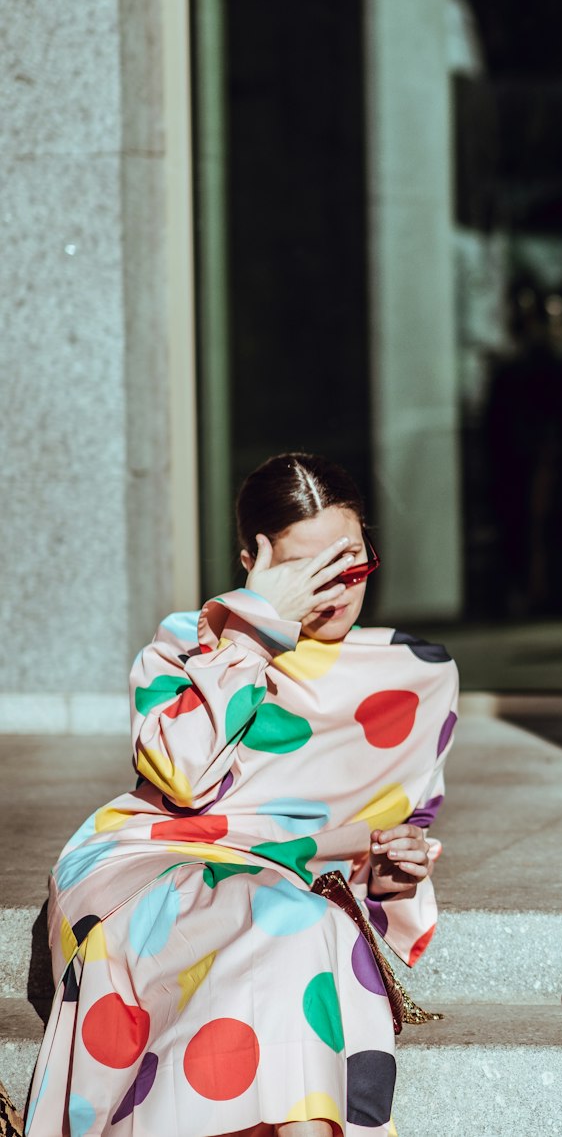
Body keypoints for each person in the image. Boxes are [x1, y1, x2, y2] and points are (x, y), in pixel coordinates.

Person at [26, 454, 459, 1137]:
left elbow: (387, 842)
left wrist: (396, 870)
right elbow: (184, 776)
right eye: (305, 572)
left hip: (287, 889)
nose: (336, 589)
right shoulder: (189, 642)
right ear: (252, 563)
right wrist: (254, 632)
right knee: (285, 916)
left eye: (351, 564)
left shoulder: (418, 675)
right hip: (154, 859)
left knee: (296, 921)